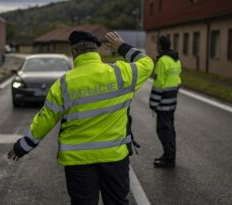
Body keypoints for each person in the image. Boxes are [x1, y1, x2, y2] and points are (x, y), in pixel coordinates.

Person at [8, 31, 154, 205]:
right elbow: (147, 63)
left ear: (74, 52)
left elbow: (45, 120)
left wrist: (22, 147)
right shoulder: (120, 73)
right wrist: (121, 46)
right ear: (96, 51)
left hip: (78, 161)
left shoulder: (63, 84)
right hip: (114, 158)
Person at [149, 36, 182, 168]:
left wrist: (153, 104)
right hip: (172, 102)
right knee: (170, 129)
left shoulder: (162, 61)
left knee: (163, 130)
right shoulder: (175, 59)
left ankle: (169, 159)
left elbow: (159, 85)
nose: (156, 47)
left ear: (161, 46)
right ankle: (169, 154)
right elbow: (178, 81)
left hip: (163, 103)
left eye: (157, 45)